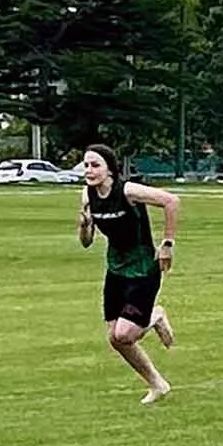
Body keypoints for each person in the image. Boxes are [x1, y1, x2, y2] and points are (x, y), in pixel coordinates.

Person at [77, 144, 179, 404]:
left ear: (110, 169)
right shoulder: (87, 195)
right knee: (115, 338)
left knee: (125, 334)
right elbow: (86, 242)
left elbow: (171, 201)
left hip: (143, 268)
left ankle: (155, 315)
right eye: (86, 165)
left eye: (95, 165)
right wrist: (85, 225)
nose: (89, 170)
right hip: (116, 270)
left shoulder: (128, 190)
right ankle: (158, 384)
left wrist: (167, 244)